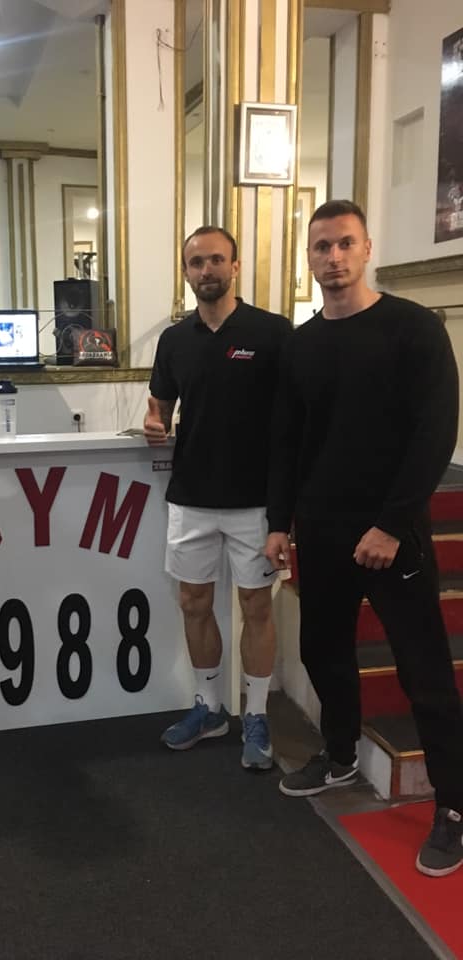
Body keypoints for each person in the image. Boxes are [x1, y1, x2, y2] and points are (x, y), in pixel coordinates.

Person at [265, 199, 463, 877]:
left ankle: (453, 805)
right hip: (320, 530)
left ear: (367, 248)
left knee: (423, 671)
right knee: (322, 650)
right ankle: (341, 754)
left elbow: (435, 433)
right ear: (310, 258)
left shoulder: (413, 329)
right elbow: (287, 442)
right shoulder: (300, 345)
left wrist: (391, 523)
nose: (334, 257)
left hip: (393, 534)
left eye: (345, 243)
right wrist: (279, 522)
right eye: (322, 247)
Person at [144, 225, 291, 769]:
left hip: (256, 502)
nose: (206, 270)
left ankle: (256, 715)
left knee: (257, 607)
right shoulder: (174, 340)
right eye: (196, 262)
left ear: (235, 265)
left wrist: (286, 510)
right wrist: (154, 423)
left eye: (216, 260)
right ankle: (209, 708)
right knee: (194, 603)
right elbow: (159, 407)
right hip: (191, 498)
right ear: (186, 272)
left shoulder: (273, 332)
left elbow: (293, 418)